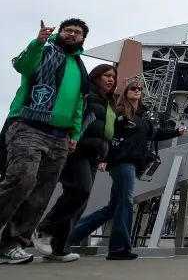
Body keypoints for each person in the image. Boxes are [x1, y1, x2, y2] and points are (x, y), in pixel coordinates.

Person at [0, 19, 91, 265]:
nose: (72, 34)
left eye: (78, 32)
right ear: (59, 33)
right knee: (22, 179)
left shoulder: (79, 67)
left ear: (83, 39)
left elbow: (79, 103)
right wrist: (37, 43)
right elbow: (22, 65)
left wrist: (75, 134)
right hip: (29, 126)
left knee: (41, 193)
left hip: (60, 136)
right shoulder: (44, 51)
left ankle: (12, 244)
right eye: (68, 30)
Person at [70, 78, 184, 261]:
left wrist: (176, 132)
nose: (137, 90)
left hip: (133, 162)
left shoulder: (142, 116)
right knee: (126, 202)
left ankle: (69, 235)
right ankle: (119, 248)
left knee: (112, 207)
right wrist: (104, 158)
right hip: (122, 162)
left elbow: (155, 134)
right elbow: (109, 134)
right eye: (132, 88)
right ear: (125, 92)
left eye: (139, 88)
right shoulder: (120, 112)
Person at [32, 64, 117, 262]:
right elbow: (76, 117)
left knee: (81, 200)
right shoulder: (87, 95)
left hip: (95, 155)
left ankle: (59, 248)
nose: (111, 80)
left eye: (113, 77)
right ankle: (45, 229)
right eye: (107, 75)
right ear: (96, 77)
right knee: (79, 190)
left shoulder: (108, 101)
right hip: (77, 151)